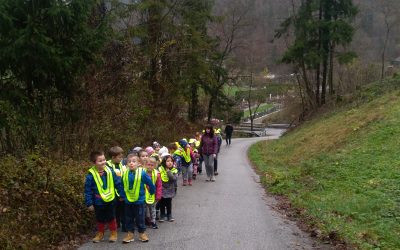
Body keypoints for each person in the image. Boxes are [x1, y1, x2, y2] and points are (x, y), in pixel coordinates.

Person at [84, 151, 125, 243]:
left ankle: (113, 233)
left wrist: (122, 195)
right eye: (100, 161)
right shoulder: (91, 175)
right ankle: (100, 233)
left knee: (111, 217)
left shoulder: (110, 171)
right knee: (100, 218)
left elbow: (118, 183)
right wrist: (89, 203)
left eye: (104, 159)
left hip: (111, 200)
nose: (103, 162)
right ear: (94, 163)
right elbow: (88, 190)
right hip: (98, 201)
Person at [122, 154, 156, 244]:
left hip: (139, 200)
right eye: (129, 162)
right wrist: (122, 196)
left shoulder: (142, 173)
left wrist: (152, 192)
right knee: (128, 218)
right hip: (128, 200)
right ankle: (130, 234)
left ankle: (142, 233)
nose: (131, 163)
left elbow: (150, 182)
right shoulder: (125, 173)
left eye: (134, 161)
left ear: (139, 163)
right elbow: (122, 185)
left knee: (140, 218)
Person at [106, 146, 127, 232]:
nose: (121, 159)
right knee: (115, 210)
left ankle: (124, 225)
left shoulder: (121, 165)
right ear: (113, 157)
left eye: (122, 157)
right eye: (119, 157)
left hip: (121, 191)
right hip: (113, 193)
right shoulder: (107, 166)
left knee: (123, 210)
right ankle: (116, 224)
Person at [158, 155, 178, 222]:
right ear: (164, 162)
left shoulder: (174, 170)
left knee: (168, 203)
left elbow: (174, 179)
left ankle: (169, 214)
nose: (170, 162)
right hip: (162, 189)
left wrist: (168, 172)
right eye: (168, 161)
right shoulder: (160, 169)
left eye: (171, 161)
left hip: (170, 189)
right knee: (162, 203)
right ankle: (162, 214)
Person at [144, 157, 162, 229]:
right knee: (144, 209)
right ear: (145, 165)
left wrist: (158, 196)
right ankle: (145, 220)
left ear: (155, 166)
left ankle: (153, 221)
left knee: (152, 209)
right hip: (144, 195)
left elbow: (159, 186)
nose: (150, 166)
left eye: (152, 165)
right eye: (148, 164)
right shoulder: (142, 173)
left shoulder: (157, 174)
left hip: (153, 195)